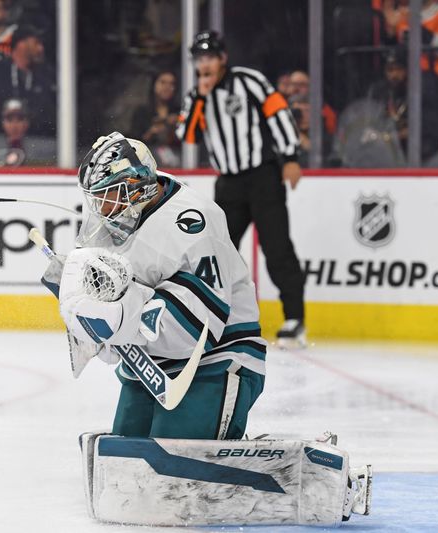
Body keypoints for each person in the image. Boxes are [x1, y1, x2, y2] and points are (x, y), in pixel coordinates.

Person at [43, 131, 266, 440]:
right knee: (126, 458)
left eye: (106, 195)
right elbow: (112, 344)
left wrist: (118, 319)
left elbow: (199, 331)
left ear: (134, 187)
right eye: (94, 197)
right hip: (148, 369)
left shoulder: (193, 222)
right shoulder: (121, 213)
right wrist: (86, 314)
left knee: (175, 458)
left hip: (215, 362)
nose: (99, 207)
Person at [176, 31, 307, 347]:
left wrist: (290, 156)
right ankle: (219, 316)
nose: (204, 64)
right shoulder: (196, 97)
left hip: (263, 176)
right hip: (229, 184)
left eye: (210, 57)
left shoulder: (248, 81)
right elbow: (187, 134)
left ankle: (295, 319)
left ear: (222, 58)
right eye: (199, 59)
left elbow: (279, 114)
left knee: (276, 247)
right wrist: (202, 97)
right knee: (219, 251)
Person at [129, 70, 181, 167]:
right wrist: (151, 132)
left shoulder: (180, 111)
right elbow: (133, 144)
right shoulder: (142, 112)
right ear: (154, 85)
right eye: (163, 82)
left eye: (171, 83)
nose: (167, 87)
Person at [0, 97, 29, 167]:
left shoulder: (40, 150)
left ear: (26, 123)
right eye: (9, 119)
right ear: (3, 123)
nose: (14, 125)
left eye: (20, 119)